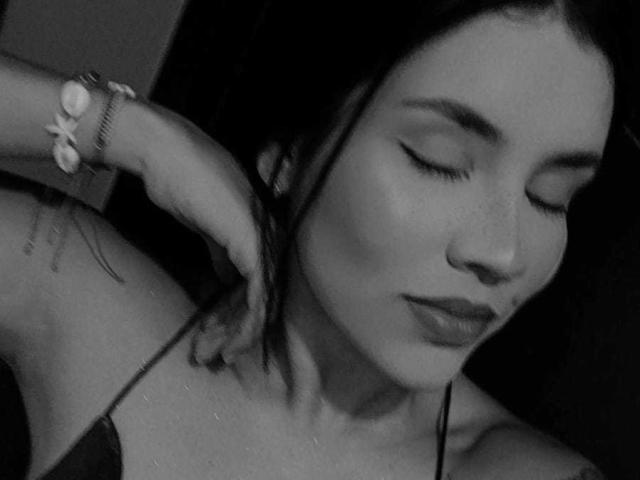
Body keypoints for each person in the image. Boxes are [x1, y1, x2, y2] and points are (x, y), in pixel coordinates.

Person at [0, 0, 632, 478]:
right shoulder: (88, 304)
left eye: (551, 196)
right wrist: (138, 134)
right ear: (291, 155)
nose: (504, 254)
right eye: (438, 160)